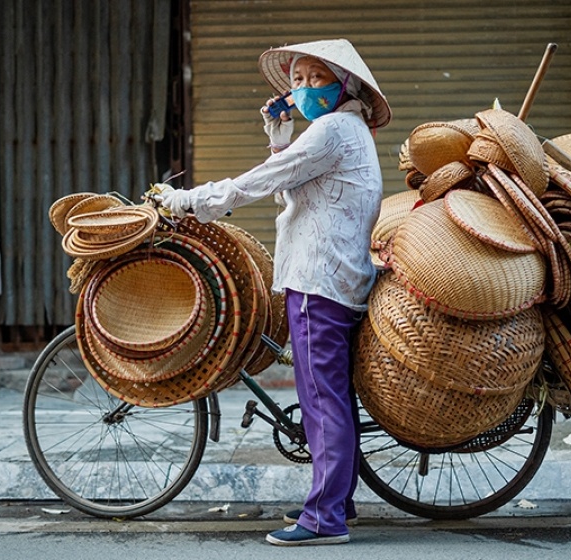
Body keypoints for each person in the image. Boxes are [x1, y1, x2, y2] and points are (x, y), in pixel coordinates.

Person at [158, 39, 391, 546]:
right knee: (335, 397)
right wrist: (280, 135)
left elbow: (262, 182)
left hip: (318, 282)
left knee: (321, 400)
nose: (303, 88)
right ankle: (339, 502)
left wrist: (190, 201)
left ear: (344, 86)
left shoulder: (331, 130)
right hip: (335, 278)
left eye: (314, 79)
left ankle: (324, 518)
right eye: (298, 80)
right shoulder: (346, 131)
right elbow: (294, 184)